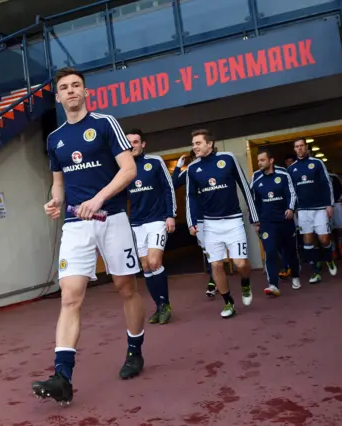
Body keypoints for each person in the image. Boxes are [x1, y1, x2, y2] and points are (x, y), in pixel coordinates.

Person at [33, 67, 145, 405]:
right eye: (64, 88)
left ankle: (135, 350)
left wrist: (98, 198)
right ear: (58, 96)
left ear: (85, 91)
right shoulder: (55, 139)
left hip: (112, 218)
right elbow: (59, 180)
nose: (70, 91)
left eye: (76, 86)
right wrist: (55, 201)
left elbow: (129, 169)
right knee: (70, 295)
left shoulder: (105, 124)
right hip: (76, 225)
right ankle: (62, 376)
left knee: (126, 287)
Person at [186, 129, 259, 319]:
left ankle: (245, 282)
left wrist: (254, 215)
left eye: (198, 143)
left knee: (240, 263)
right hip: (210, 225)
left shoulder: (228, 158)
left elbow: (244, 185)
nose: (194, 147)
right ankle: (228, 302)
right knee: (216, 265)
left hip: (234, 222)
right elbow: (191, 197)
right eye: (193, 144)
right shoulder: (193, 169)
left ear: (210, 144)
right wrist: (191, 221)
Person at [125, 128, 176, 324]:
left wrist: (170, 215)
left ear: (143, 144)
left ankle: (165, 304)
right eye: (129, 143)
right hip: (136, 223)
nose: (132, 146)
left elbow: (168, 188)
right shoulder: (123, 168)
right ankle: (159, 306)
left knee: (155, 262)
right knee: (145, 266)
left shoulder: (155, 162)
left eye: (136, 142)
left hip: (156, 220)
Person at [250, 148, 301, 295]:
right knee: (270, 252)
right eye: (258, 160)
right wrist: (255, 221)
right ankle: (273, 284)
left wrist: (291, 209)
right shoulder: (256, 178)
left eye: (262, 160)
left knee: (290, 251)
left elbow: (291, 193)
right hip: (267, 222)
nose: (259, 163)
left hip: (285, 220)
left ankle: (296, 275)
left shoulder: (283, 174)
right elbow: (253, 201)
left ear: (271, 160)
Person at [287, 138, 337, 283]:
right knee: (307, 239)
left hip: (320, 208)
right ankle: (316, 271)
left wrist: (329, 204)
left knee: (323, 238)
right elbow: (290, 190)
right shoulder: (291, 169)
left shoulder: (317, 163)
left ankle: (329, 258)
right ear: (295, 149)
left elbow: (327, 183)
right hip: (302, 210)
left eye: (302, 145)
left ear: (306, 147)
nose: (300, 148)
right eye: (297, 146)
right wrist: (293, 207)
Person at [172, 151, 217, 298]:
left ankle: (215, 278)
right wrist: (178, 167)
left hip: (216, 214)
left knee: (217, 248)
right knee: (207, 250)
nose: (198, 159)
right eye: (195, 157)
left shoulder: (214, 167)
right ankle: (213, 280)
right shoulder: (190, 171)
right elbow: (172, 184)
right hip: (199, 217)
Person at [328, 170, 342, 258]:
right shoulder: (316, 176)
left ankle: (340, 244)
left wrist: (340, 198)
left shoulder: (334, 176)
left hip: (337, 204)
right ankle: (333, 249)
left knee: (341, 227)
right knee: (328, 229)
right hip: (325, 206)